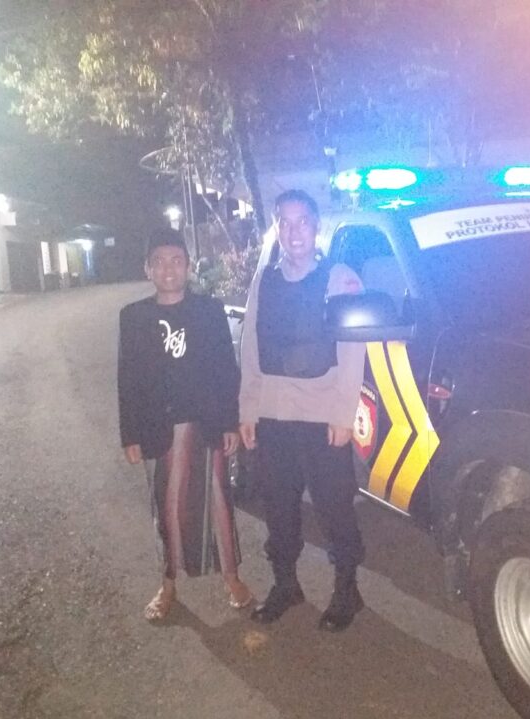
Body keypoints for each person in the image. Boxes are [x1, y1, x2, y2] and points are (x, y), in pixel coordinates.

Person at [239, 189, 367, 632]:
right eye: (285, 222)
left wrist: (344, 414)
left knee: (334, 507)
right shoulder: (264, 280)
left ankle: (347, 589)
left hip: (322, 416)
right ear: (277, 227)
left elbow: (352, 349)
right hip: (273, 415)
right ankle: (286, 585)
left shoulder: (340, 278)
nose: (294, 232)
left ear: (316, 227)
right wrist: (248, 409)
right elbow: (251, 345)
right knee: (278, 506)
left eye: (303, 222)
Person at [118, 228, 253, 621]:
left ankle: (232, 577)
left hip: (205, 425)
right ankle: (168, 584)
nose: (168, 269)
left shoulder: (209, 311)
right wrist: (129, 434)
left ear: (188, 266)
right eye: (159, 262)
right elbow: (127, 378)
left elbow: (225, 370)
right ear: (147, 269)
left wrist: (230, 422)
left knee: (219, 503)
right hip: (158, 430)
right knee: (165, 507)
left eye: (176, 260)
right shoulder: (134, 317)